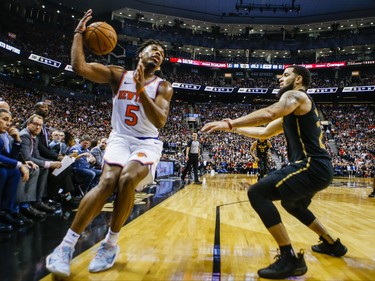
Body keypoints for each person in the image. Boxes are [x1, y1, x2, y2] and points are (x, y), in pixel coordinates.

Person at [46, 9, 173, 277]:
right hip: (120, 137)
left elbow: (160, 121)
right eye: (153, 49)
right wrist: (79, 33)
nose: (157, 54)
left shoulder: (163, 86)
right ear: (140, 55)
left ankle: (110, 243)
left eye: (161, 54)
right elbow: (80, 67)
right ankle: (65, 247)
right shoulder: (118, 75)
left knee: (127, 180)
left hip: (147, 142)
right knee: (106, 182)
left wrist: (140, 89)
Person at [201, 65, 347, 279]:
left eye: (286, 75)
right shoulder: (295, 110)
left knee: (257, 192)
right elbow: (264, 132)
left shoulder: (296, 96)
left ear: (298, 80)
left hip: (310, 165)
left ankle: (289, 258)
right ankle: (332, 243)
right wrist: (229, 128)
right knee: (292, 203)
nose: (280, 79)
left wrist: (229, 122)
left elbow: (269, 113)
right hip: (319, 168)